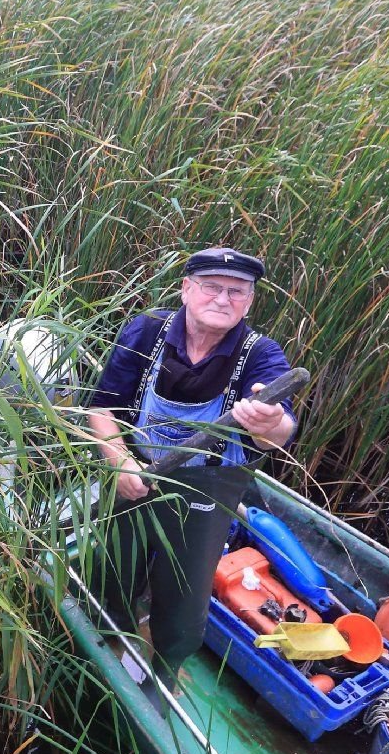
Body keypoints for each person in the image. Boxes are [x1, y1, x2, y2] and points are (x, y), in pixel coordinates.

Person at [85, 247, 297, 690]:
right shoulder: (146, 331)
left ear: (249, 302)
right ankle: (112, 635)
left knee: (185, 594)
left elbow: (280, 432)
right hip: (136, 473)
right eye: (211, 286)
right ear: (185, 289)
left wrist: (268, 422)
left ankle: (167, 667)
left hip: (207, 491)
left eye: (236, 292)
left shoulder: (261, 355)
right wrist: (119, 462)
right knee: (114, 565)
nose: (222, 298)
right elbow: (101, 409)